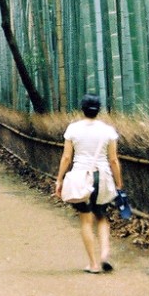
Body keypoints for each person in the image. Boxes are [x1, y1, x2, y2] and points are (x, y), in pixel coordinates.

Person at [54, 93, 124, 274]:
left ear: (82, 108)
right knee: (102, 217)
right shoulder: (108, 130)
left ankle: (93, 264)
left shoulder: (73, 129)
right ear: (98, 109)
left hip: (80, 178)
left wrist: (59, 179)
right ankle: (105, 255)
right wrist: (118, 183)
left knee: (86, 221)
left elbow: (67, 157)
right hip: (102, 178)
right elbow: (114, 160)